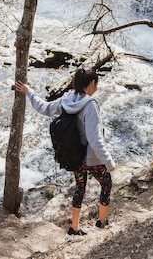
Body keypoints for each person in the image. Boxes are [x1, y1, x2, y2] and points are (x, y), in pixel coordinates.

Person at [15, 68, 115, 236]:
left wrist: (29, 92)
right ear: (91, 83)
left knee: (80, 188)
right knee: (106, 183)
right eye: (96, 84)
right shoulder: (91, 105)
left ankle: (74, 228)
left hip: (75, 156)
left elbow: (44, 108)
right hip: (91, 158)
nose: (97, 88)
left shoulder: (66, 100)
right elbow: (95, 139)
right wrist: (109, 162)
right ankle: (102, 222)